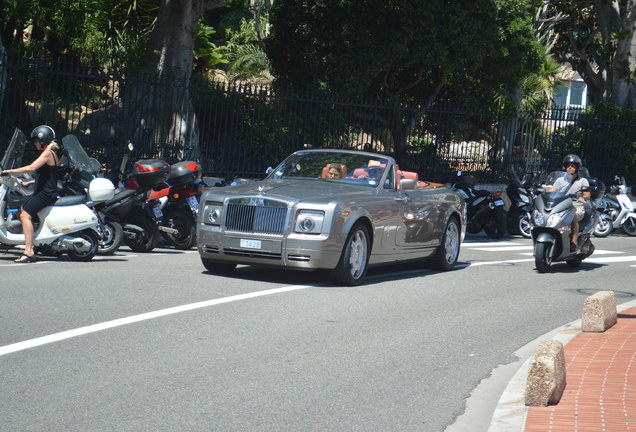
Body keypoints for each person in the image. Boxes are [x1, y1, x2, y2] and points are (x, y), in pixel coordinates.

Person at [0, 125, 61, 263]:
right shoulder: (52, 153)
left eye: (35, 140)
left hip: (46, 193)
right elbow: (47, 175)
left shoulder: (47, 153)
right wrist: (28, 182)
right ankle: (35, 240)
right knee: (20, 210)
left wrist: (10, 171)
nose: (34, 143)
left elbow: (32, 167)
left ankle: (29, 251)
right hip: (44, 190)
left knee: (25, 215)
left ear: (42, 139)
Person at [550, 154, 590, 253]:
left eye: (572, 166)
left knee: (572, 216)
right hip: (561, 204)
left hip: (576, 205)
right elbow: (552, 190)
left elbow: (587, 194)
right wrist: (544, 191)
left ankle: (574, 240)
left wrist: (582, 197)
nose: (570, 168)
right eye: (568, 166)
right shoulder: (560, 180)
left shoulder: (582, 181)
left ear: (577, 167)